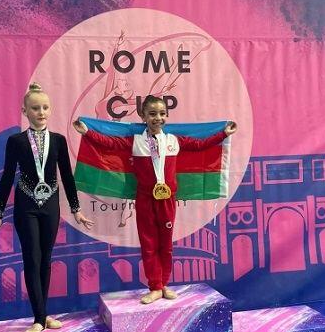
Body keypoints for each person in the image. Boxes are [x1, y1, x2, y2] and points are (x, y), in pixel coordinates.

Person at [73, 95, 237, 304]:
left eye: (161, 113)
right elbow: (110, 143)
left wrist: (223, 133)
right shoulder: (136, 141)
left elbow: (200, 145)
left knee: (166, 245)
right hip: (145, 199)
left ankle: (164, 284)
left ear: (166, 115)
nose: (157, 118)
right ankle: (154, 286)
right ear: (143, 116)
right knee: (149, 244)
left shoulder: (174, 141)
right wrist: (87, 132)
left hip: (167, 200)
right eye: (152, 114)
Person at [0, 82, 95, 332]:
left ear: (50, 109)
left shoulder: (58, 140)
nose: (41, 112)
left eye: (45, 107)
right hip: (26, 206)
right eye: (35, 108)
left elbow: (67, 176)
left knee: (46, 260)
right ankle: (38, 319)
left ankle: (43, 315)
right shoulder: (16, 141)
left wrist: (76, 209)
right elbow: (7, 177)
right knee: (32, 259)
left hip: (51, 206)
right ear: (25, 111)